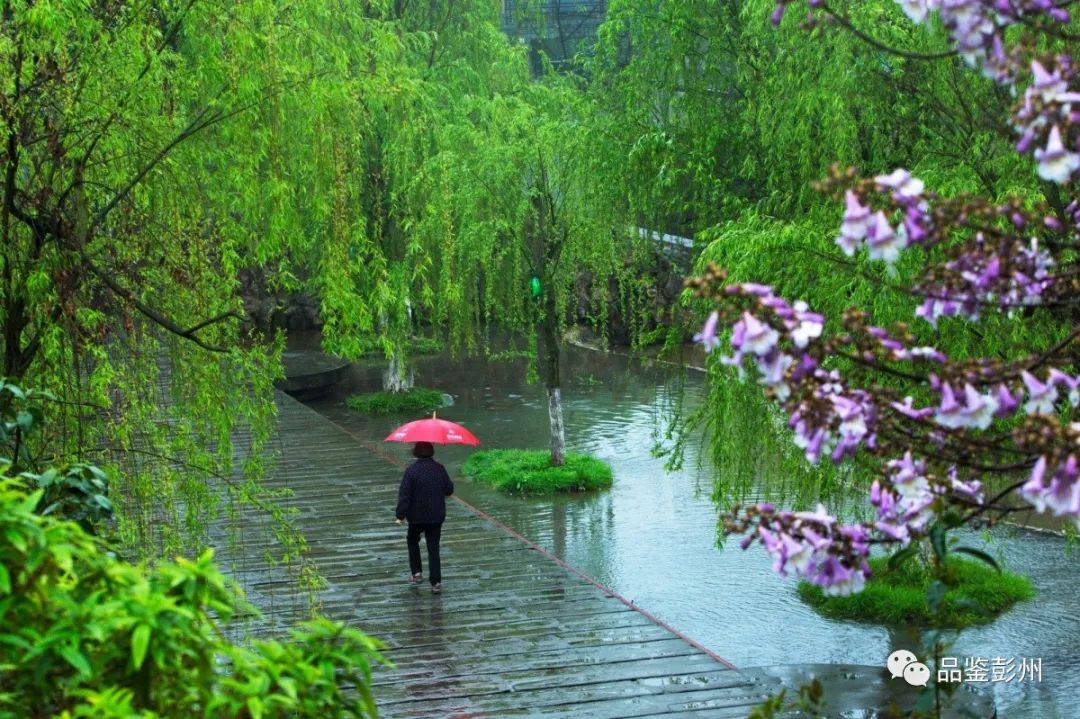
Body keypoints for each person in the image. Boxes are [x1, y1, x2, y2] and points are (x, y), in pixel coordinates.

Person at [395, 441, 454, 593]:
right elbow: (449, 490)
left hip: (416, 516)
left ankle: (416, 573)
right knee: (433, 548)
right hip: (436, 516)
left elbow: (404, 495)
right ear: (432, 451)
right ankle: (436, 583)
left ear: (415, 452)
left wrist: (400, 515)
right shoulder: (439, 469)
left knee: (412, 540)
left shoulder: (412, 471)